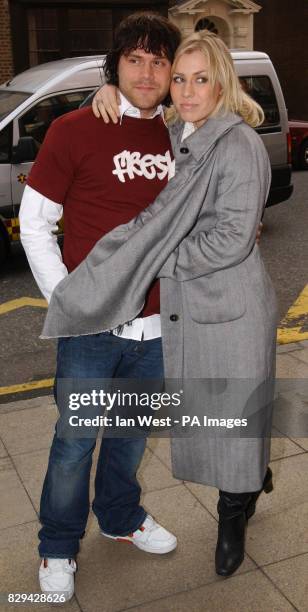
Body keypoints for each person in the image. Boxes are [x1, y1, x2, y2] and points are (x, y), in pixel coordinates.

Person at [42, 30, 278, 579]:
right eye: (180, 79)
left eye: (201, 79)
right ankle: (61, 546)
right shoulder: (179, 134)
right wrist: (105, 92)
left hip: (225, 306)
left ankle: (232, 511)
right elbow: (131, 133)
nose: (187, 90)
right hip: (175, 310)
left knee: (228, 421)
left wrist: (146, 262)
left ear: (222, 82)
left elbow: (229, 239)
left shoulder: (236, 141)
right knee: (97, 436)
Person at [19, 12, 182, 602]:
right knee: (74, 442)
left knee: (131, 437)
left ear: (171, 73)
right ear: (116, 66)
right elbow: (35, 224)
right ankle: (57, 545)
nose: (148, 71)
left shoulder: (181, 134)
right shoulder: (75, 129)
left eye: (159, 61)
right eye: (134, 60)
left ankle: (120, 517)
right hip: (92, 328)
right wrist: (68, 299)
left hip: (161, 327)